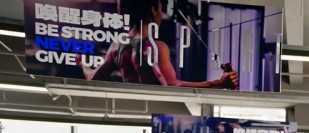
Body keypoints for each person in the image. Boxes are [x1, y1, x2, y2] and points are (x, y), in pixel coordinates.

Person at [84, 0, 239, 89]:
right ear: (153, 11)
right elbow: (172, 85)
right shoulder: (154, 47)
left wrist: (83, 64)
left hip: (131, 111)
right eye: (160, 9)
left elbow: (92, 79)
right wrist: (218, 83)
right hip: (155, 114)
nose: (160, 15)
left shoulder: (116, 47)